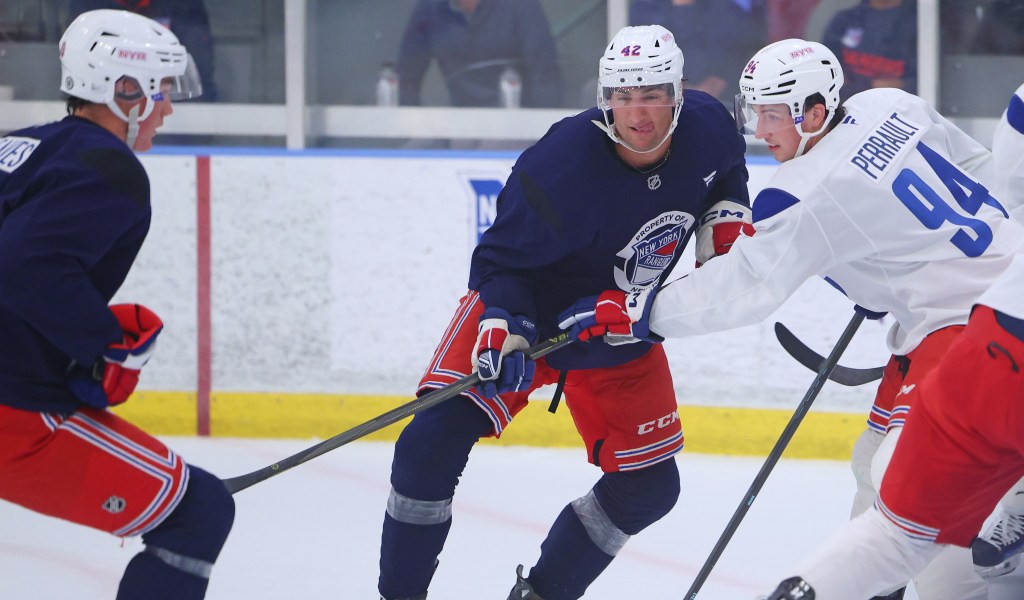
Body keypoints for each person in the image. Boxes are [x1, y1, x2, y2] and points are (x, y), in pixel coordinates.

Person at [558, 38, 1024, 599]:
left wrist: (644, 310)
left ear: (816, 111)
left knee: (913, 499)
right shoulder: (893, 105)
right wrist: (897, 263)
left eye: (773, 114)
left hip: (965, 325)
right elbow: (976, 169)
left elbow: (744, 286)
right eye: (753, 112)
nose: (760, 129)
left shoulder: (806, 191)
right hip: (988, 289)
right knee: (871, 470)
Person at [376, 24, 753, 600]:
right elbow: (501, 262)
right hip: (532, 306)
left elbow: (725, 169)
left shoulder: (709, 127)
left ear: (678, 94)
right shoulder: (561, 163)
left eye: (652, 94)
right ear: (604, 98)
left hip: (622, 322)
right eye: (623, 96)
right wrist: (511, 330)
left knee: (648, 488)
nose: (638, 112)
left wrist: (723, 216)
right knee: (430, 443)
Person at [0, 9, 233, 600]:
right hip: (16, 415)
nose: (168, 108)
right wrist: (103, 342)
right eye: (160, 91)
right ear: (123, 91)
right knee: (199, 511)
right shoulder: (110, 166)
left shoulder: (21, 147)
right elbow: (24, 264)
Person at [395, 0, 563, 108]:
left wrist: (543, 139)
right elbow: (407, 75)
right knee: (408, 155)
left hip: (516, 124)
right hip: (459, 126)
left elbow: (545, 75)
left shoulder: (521, 5)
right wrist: (413, 124)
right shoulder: (429, 8)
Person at [69, 0, 218, 101]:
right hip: (107, 110)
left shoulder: (183, 4)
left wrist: (159, 101)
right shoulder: (88, 5)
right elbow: (77, 72)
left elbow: (198, 74)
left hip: (173, 118)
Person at [629, 0, 767, 106]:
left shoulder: (724, 7)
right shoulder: (645, 9)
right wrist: (669, 86)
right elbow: (638, 57)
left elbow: (742, 49)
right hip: (663, 98)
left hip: (720, 101)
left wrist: (720, 81)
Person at [822, 0, 917, 97]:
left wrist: (901, 85)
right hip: (846, 106)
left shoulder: (922, 21)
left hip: (901, 106)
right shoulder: (844, 20)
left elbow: (927, 81)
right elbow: (826, 72)